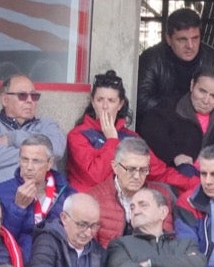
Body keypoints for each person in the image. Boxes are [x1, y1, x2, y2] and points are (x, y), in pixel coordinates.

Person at [65, 70, 189, 199]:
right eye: (100, 100)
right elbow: (96, 177)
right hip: (89, 203)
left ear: (120, 104)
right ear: (92, 102)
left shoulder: (131, 137)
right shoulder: (77, 135)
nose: (105, 106)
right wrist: (112, 140)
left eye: (111, 100)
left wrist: (195, 184)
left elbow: (159, 172)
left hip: (126, 203)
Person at [0, 74, 68, 189]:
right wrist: (37, 157)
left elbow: (57, 150)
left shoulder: (48, 125)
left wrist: (14, 138)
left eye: (34, 96)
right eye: (22, 95)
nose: (30, 101)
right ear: (5, 99)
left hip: (40, 198)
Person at [136, 8, 214, 119]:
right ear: (168, 39)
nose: (190, 45)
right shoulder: (151, 59)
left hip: (203, 127)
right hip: (160, 125)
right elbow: (141, 101)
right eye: (182, 39)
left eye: (195, 38)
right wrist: (181, 111)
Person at [0, 133, 73, 254]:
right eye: (24, 160)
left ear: (50, 163)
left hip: (57, 261)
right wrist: (18, 208)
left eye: (36, 161)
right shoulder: (0, 192)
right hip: (18, 261)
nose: (29, 167)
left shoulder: (68, 195)